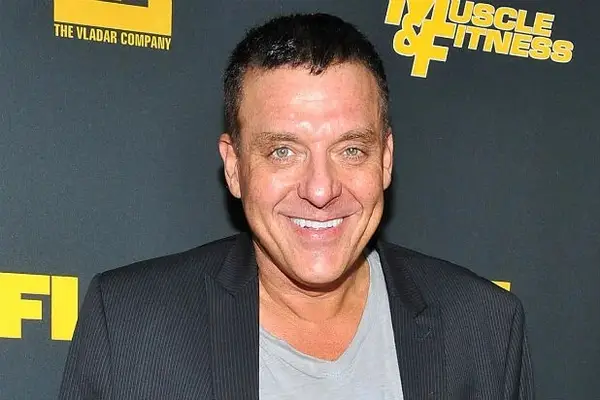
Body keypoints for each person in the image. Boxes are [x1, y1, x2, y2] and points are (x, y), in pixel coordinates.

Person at [58, 13, 534, 400]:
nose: (321, 190)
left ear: (386, 160)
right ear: (234, 167)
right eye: (283, 151)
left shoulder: (485, 328)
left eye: (351, 150)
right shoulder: (130, 326)